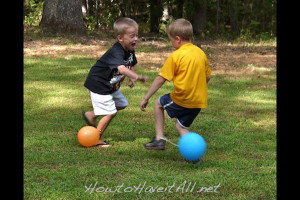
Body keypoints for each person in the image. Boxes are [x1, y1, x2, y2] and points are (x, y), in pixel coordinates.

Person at [140, 18, 211, 151]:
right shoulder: (201, 53)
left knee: (158, 103)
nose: (171, 43)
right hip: (199, 101)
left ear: (178, 39)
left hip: (183, 98)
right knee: (181, 127)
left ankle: (159, 139)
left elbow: (161, 79)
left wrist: (146, 97)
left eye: (171, 40)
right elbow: (207, 77)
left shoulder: (176, 56)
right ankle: (194, 152)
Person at [83, 17, 147, 147]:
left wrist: (131, 77)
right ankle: (96, 137)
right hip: (99, 84)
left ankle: (92, 114)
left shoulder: (130, 50)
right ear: (120, 38)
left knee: (122, 103)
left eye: (136, 36)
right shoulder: (116, 51)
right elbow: (122, 69)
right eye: (131, 36)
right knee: (111, 112)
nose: (135, 39)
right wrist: (136, 76)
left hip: (110, 86)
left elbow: (132, 62)